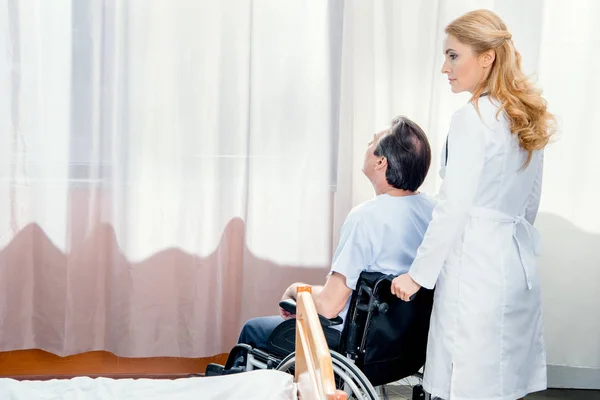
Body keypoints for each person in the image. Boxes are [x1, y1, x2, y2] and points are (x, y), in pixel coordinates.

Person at [390, 9, 555, 400]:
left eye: (453, 55)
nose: (445, 68)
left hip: (475, 271)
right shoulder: (524, 118)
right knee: (501, 382)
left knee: (466, 382)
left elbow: (452, 206)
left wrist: (417, 275)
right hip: (514, 267)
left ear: (487, 57)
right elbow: (530, 202)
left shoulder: (472, 118)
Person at [238, 115, 436, 352]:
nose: (367, 147)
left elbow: (329, 306)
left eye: (371, 143)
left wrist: (295, 288)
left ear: (381, 162)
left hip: (353, 344)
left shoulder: (366, 217)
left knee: (252, 329)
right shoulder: (434, 212)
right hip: (403, 349)